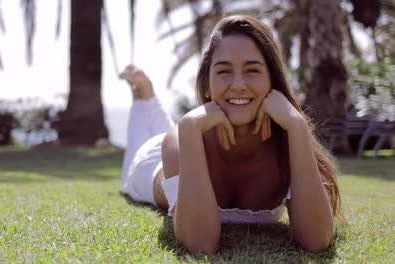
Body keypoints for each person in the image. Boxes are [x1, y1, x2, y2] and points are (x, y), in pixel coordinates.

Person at [119, 15, 344, 254]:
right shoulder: (183, 136)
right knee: (140, 139)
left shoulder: (288, 141)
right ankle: (142, 89)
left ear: (273, 81)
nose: (238, 85)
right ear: (206, 84)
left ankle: (145, 91)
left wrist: (298, 127)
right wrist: (189, 128)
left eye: (252, 70)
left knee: (160, 124)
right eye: (224, 71)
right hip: (149, 164)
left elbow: (316, 241)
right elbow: (200, 244)